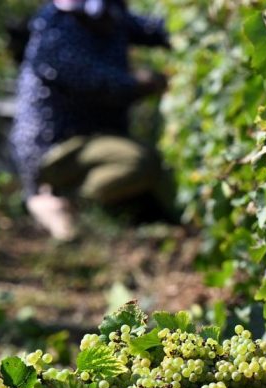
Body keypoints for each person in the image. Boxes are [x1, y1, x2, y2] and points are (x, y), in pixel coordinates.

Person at [9, 0, 176, 240]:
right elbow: (94, 81)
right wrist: (141, 82)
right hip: (55, 146)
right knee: (140, 163)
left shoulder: (108, 14)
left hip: (93, 141)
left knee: (148, 177)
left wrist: (196, 28)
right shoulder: (55, 25)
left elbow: (154, 29)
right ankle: (56, 198)